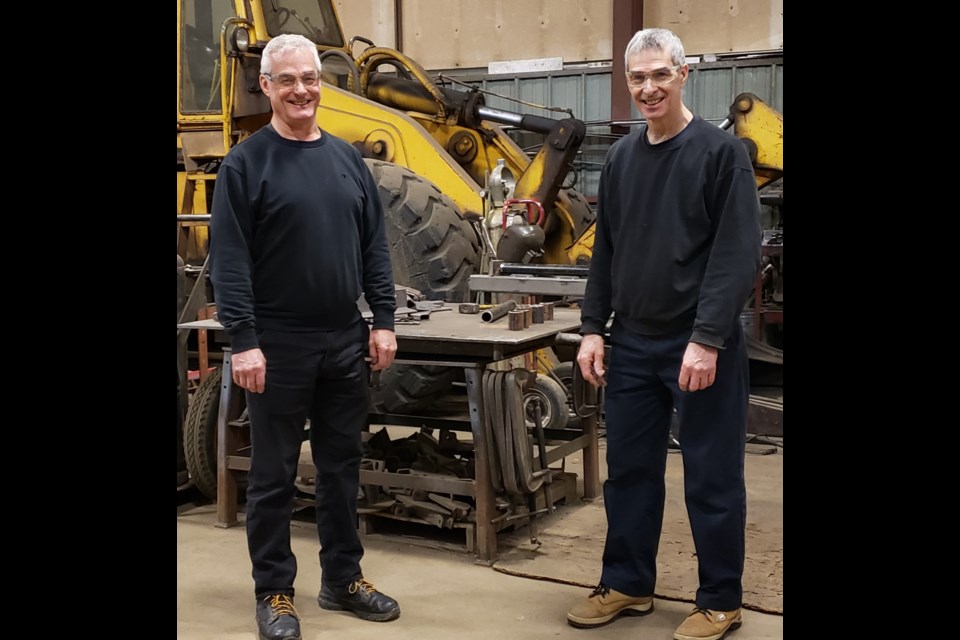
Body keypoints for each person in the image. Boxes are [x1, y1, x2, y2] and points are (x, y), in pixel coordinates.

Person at [566, 28, 761, 640]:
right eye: (637, 78)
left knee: (710, 475)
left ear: (684, 76)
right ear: (627, 85)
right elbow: (607, 253)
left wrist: (707, 340)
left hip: (700, 347)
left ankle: (720, 600)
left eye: (659, 75)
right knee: (629, 472)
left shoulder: (719, 153)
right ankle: (627, 582)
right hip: (633, 344)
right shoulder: (622, 158)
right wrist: (594, 329)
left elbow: (737, 255)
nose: (648, 87)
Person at [210, 33, 401, 640]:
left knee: (344, 468)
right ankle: (274, 591)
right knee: (273, 475)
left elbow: (374, 245)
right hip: (277, 343)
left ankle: (343, 579)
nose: (301, 90)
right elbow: (231, 261)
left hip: (344, 338)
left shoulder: (347, 160)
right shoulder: (247, 164)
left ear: (323, 83)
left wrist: (384, 319)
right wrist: (244, 340)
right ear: (265, 87)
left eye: (310, 78)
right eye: (287, 80)